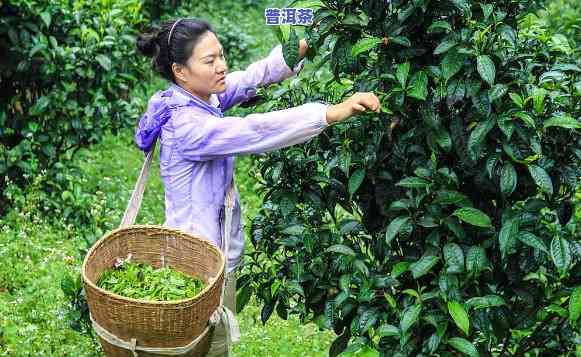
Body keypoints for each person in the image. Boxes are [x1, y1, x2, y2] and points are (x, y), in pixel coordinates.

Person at [135, 17, 381, 356]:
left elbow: (253, 77)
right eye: (210, 61)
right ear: (180, 71)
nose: (222, 66)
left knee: (213, 346)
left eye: (221, 55)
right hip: (194, 266)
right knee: (199, 350)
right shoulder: (185, 125)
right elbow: (254, 131)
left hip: (216, 259)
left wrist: (299, 46)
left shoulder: (204, 99)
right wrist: (328, 113)